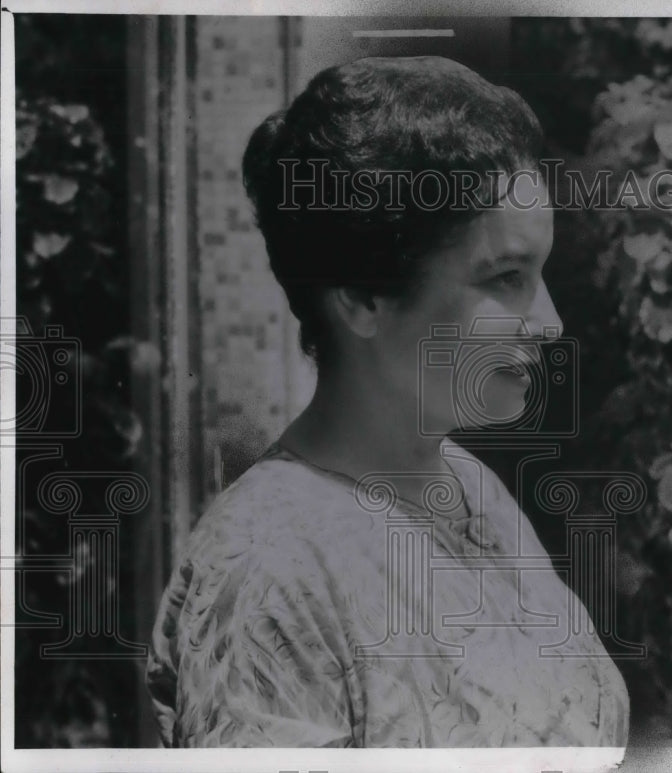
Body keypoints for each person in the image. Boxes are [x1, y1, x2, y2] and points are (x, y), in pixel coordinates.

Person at [145, 55, 629, 748]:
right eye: (506, 277)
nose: (549, 322)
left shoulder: (469, 489)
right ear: (362, 297)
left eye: (538, 272)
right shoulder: (270, 567)